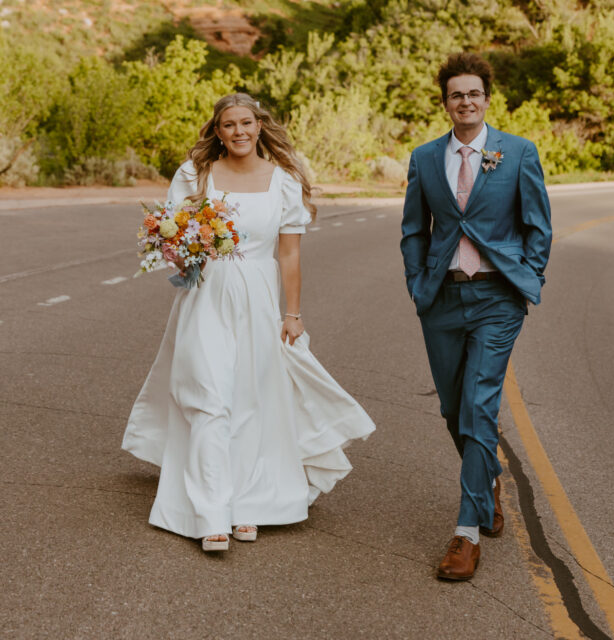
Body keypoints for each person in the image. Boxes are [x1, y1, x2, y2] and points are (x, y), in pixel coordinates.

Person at [123, 92, 375, 552]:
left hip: (258, 300)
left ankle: (249, 503)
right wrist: (179, 249)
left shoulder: (283, 181)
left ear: (260, 126)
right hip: (205, 299)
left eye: (246, 123)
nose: (238, 131)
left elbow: (290, 253)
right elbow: (172, 240)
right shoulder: (195, 175)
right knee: (207, 397)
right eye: (228, 125)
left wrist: (292, 314)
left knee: (250, 401)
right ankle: (210, 512)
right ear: (216, 132)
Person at [400, 53, 552, 580]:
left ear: (487, 99)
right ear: (444, 103)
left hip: (497, 299)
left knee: (479, 405)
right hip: (441, 298)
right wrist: (418, 284)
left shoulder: (518, 153)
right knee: (451, 409)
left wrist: (525, 277)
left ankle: (466, 532)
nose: (465, 102)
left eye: (474, 94)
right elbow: (415, 229)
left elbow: (538, 225)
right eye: (455, 95)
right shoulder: (423, 158)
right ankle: (484, 479)